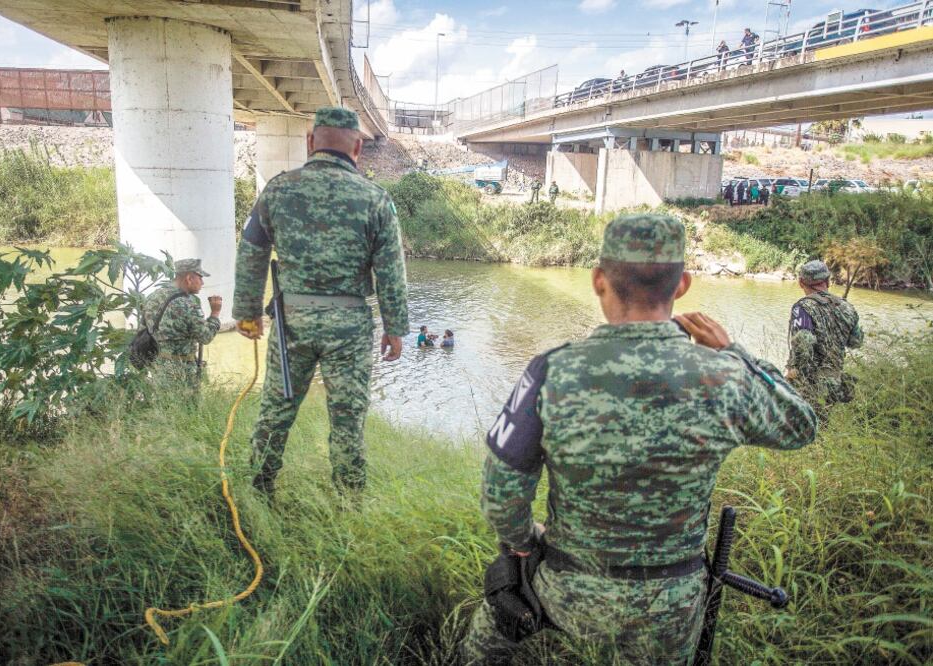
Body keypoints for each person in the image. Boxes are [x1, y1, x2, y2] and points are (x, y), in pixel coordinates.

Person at [460, 213, 816, 665]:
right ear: (683, 284)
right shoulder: (725, 378)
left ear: (598, 281)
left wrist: (525, 541)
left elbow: (501, 494)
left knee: (482, 641)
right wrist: (734, 352)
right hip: (673, 607)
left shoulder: (552, 370)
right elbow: (801, 424)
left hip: (569, 593)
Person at [232, 106, 409, 496]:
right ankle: (348, 503)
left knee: (276, 412)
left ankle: (257, 491)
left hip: (291, 320)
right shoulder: (375, 199)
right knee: (347, 421)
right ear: (358, 148)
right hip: (349, 327)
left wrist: (247, 313)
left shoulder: (278, 189)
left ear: (311, 142)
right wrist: (396, 328)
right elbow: (391, 271)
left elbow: (251, 252)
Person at [786, 260, 864, 409]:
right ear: (828, 281)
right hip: (835, 382)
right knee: (824, 424)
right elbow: (856, 342)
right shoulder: (846, 308)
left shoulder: (802, 308)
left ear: (801, 282)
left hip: (809, 386)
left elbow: (803, 344)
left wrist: (794, 375)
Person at [141, 257, 221, 383]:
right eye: (200, 278)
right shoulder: (188, 304)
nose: (202, 283)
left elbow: (143, 327)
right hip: (182, 370)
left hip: (158, 366)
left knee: (163, 402)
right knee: (186, 403)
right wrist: (215, 313)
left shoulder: (153, 296)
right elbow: (205, 337)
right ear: (189, 279)